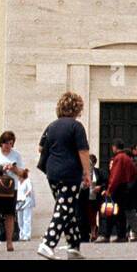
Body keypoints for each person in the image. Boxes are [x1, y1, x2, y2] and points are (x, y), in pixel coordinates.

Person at [36, 90, 93, 259]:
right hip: (70, 172)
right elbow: (83, 151)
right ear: (77, 109)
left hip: (52, 172)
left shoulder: (51, 126)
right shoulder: (76, 126)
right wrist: (87, 173)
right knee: (64, 209)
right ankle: (48, 243)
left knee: (67, 208)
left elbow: (40, 148)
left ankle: (73, 246)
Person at [0, 130, 24, 251]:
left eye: (11, 143)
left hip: (11, 189)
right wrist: (2, 168)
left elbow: (22, 173)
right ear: (1, 143)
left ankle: (9, 242)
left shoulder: (16, 155)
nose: (8, 146)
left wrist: (13, 168)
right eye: (6, 143)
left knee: (10, 215)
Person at [15, 168, 35, 241]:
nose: (18, 177)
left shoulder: (27, 181)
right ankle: (21, 235)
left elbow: (30, 190)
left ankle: (27, 235)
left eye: (19, 176)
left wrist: (25, 195)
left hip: (27, 201)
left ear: (22, 176)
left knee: (26, 218)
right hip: (19, 201)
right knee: (20, 219)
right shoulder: (18, 182)